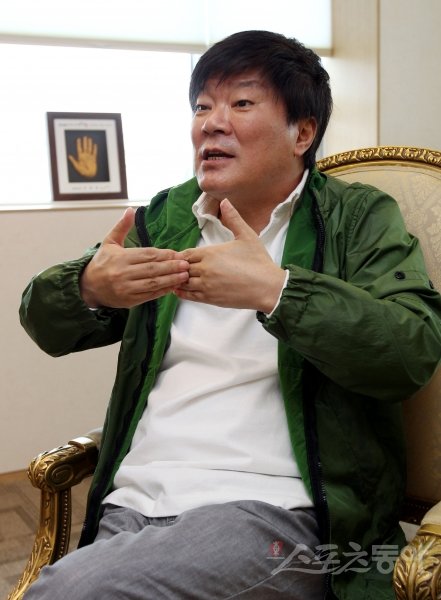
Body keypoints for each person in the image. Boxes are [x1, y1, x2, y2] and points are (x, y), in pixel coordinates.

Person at [19, 30, 441, 600]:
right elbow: (43, 321)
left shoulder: (357, 218)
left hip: (281, 513)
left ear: (303, 133)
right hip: (134, 500)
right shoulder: (166, 218)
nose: (211, 124)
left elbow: (409, 351)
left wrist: (277, 291)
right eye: (201, 106)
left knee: (68, 593)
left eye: (241, 103)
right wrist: (88, 286)